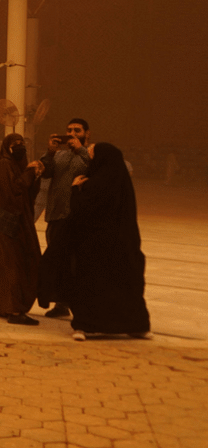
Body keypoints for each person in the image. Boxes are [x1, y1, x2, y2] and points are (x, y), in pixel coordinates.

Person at [67, 143, 151, 341]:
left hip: (94, 246)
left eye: (91, 155)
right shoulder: (123, 183)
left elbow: (81, 212)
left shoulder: (93, 183)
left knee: (91, 285)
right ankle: (136, 326)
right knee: (126, 284)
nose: (89, 159)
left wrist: (76, 190)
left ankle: (84, 326)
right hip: (123, 245)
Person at [0, 133, 45, 326]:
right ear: (7, 147)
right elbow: (14, 190)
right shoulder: (5, 164)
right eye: (15, 144)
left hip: (18, 221)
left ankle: (2, 305)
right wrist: (29, 172)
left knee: (11, 262)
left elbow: (27, 194)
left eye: (22, 143)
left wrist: (35, 175)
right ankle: (13, 309)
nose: (19, 146)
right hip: (8, 224)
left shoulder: (16, 165)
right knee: (12, 264)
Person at [37, 118, 92, 319]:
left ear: (87, 133)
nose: (72, 133)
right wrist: (49, 153)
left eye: (77, 130)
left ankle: (80, 305)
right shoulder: (59, 155)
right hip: (55, 215)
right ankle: (61, 303)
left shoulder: (90, 154)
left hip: (76, 218)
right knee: (57, 262)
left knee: (76, 262)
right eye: (69, 130)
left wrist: (81, 150)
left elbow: (94, 171)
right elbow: (46, 174)